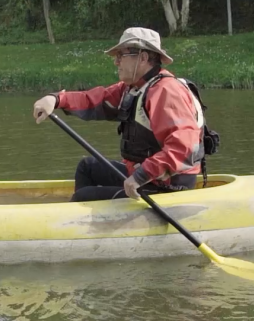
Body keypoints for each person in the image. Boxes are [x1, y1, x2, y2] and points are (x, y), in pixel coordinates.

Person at [33, 27, 207, 202]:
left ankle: (87, 220)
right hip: (147, 177)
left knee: (83, 196)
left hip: (167, 187)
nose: (116, 62)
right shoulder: (133, 88)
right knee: (87, 167)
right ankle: (96, 222)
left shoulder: (166, 92)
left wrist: (141, 176)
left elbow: (184, 148)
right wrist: (56, 99)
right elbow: (94, 99)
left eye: (121, 55)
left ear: (143, 57)